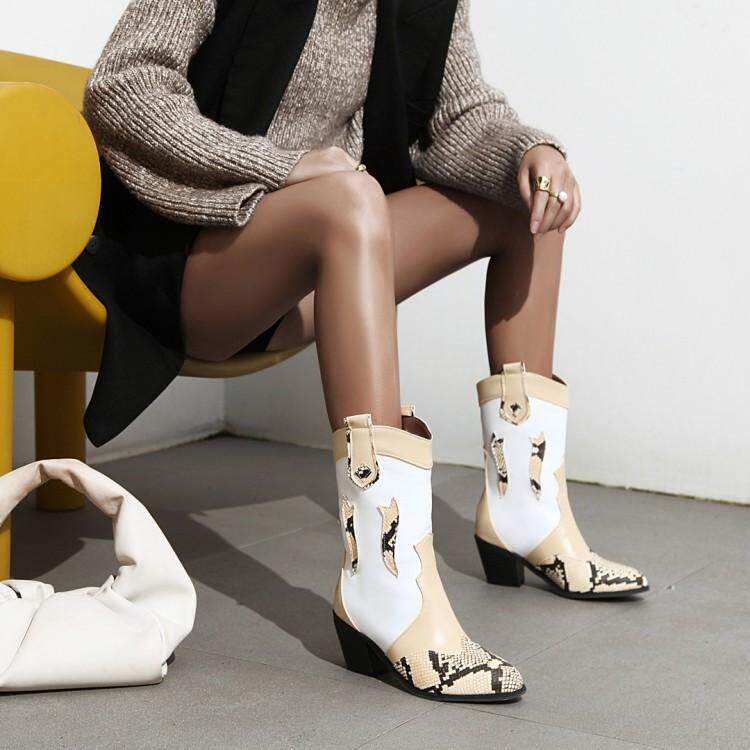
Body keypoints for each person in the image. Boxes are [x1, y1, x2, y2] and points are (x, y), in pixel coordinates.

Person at [78, 0, 647, 702]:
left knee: (530, 199)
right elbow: (124, 85)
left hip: (322, 261)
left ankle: (528, 513)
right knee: (349, 199)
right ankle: (387, 584)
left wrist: (530, 151)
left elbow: (459, 120)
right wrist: (276, 167)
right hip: (200, 265)